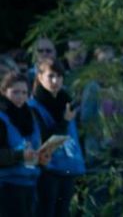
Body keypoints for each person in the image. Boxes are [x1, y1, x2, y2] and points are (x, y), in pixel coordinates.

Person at [27, 58, 85, 217]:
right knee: (46, 211)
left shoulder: (66, 101)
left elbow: (75, 136)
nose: (55, 81)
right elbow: (43, 139)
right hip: (47, 169)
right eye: (50, 76)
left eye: (59, 76)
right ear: (39, 77)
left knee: (64, 212)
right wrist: (65, 121)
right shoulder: (33, 106)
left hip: (69, 166)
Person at [0, 72, 49, 217]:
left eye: (24, 92)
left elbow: (35, 145)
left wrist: (41, 158)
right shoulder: (2, 118)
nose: (20, 96)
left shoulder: (30, 115)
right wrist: (20, 155)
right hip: (7, 186)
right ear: (3, 91)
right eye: (15, 92)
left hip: (29, 184)